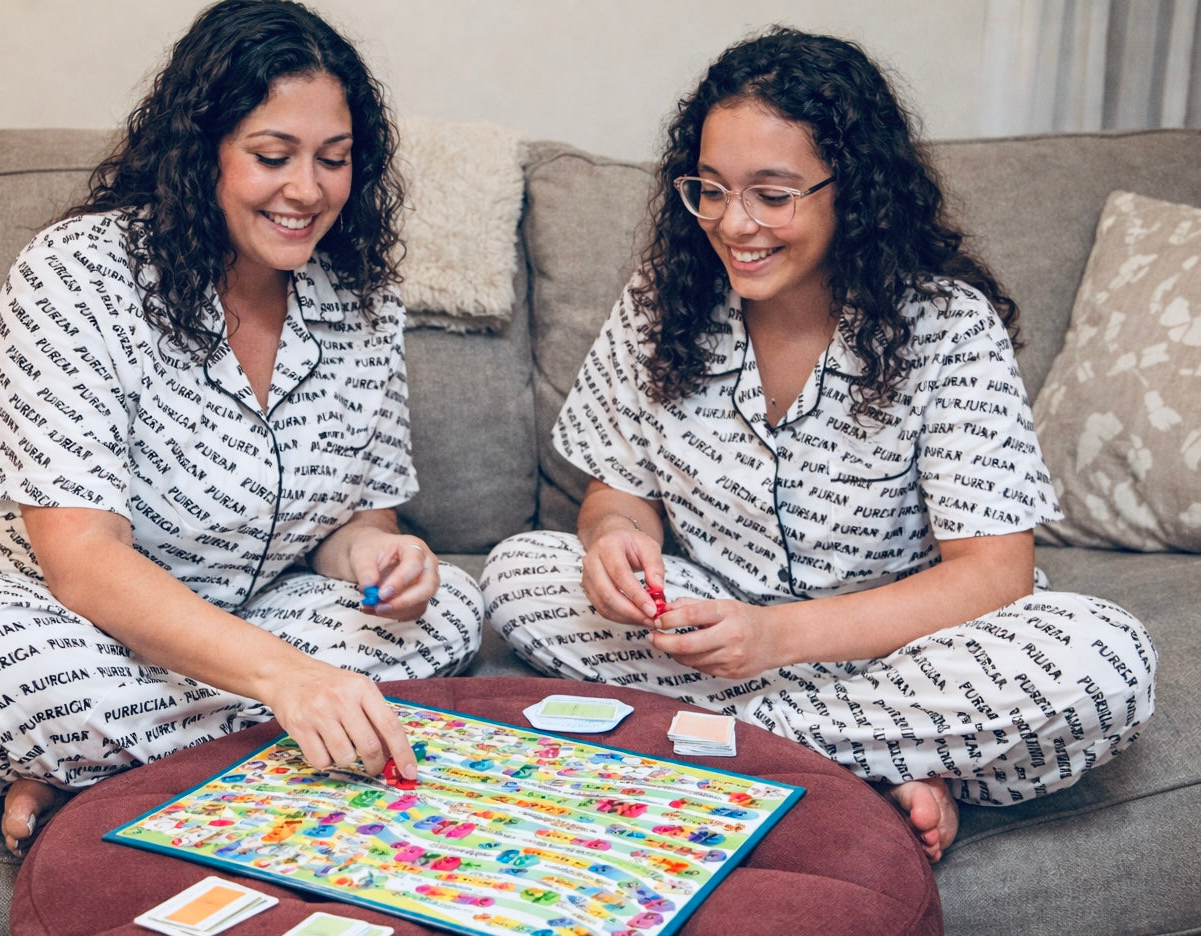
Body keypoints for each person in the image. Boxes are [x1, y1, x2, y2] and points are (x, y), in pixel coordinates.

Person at [480, 27, 1156, 861]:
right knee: (517, 573)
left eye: (773, 194)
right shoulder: (662, 300)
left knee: (1103, 663)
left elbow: (994, 573)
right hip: (712, 631)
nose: (734, 224)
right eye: (712, 190)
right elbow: (616, 491)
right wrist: (615, 538)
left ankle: (739, 748)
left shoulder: (943, 325)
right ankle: (876, 758)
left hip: (904, 650)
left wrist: (775, 640)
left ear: (854, 192)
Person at [0, 0, 482, 856]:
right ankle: (249, 744)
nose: (308, 190)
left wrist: (379, 557)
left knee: (449, 613)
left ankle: (96, 768)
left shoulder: (359, 300)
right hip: (25, 610)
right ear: (201, 152)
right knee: (8, 679)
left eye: (333, 160)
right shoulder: (80, 273)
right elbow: (82, 562)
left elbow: (358, 521)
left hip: (237, 623)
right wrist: (289, 678)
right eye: (272, 156)